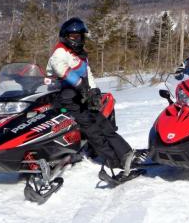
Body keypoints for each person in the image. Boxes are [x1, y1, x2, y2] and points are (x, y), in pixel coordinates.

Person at [46, 17, 143, 176]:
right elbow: (61, 69)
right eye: (74, 36)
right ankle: (114, 161)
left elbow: (87, 72)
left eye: (80, 36)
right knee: (92, 129)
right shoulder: (60, 53)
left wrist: (94, 90)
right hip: (64, 99)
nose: (78, 39)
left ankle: (126, 153)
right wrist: (80, 85)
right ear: (66, 37)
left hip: (80, 97)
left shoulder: (80, 54)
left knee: (102, 123)